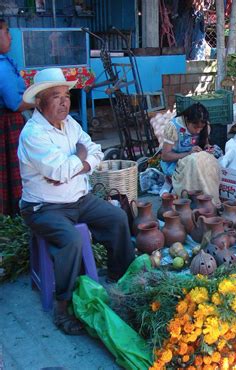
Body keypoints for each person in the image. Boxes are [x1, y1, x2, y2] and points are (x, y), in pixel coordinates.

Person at [18, 68, 135, 335]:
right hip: (43, 207)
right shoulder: (33, 133)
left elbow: (94, 151)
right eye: (56, 96)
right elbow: (59, 171)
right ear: (39, 102)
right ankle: (63, 305)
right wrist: (76, 163)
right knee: (71, 240)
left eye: (66, 95)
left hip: (78, 198)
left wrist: (77, 163)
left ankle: (121, 276)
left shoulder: (70, 124)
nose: (64, 102)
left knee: (117, 217)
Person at [0, 19, 35, 215]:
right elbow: (15, 103)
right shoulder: (2, 67)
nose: (10, 36)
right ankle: (13, 212)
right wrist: (41, 101)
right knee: (13, 171)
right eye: (6, 31)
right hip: (8, 124)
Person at [160, 103, 221, 205]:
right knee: (194, 163)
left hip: (195, 157)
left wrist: (207, 147)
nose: (198, 131)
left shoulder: (204, 126)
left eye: (201, 128)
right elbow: (165, 156)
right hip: (174, 162)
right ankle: (196, 200)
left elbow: (205, 143)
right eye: (195, 127)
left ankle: (209, 198)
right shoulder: (174, 127)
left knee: (210, 162)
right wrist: (188, 153)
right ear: (187, 120)